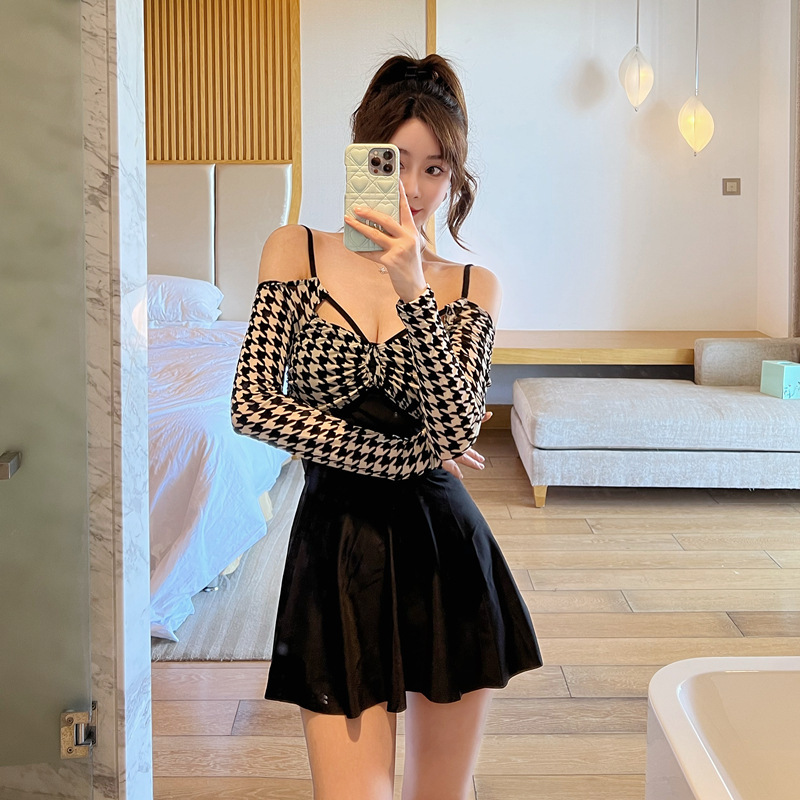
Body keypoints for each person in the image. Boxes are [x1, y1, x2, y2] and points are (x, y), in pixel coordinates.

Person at [232, 53, 542, 800]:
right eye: (396, 163)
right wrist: (406, 453)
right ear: (361, 157)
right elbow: (252, 404)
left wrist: (413, 290)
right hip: (334, 546)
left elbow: (458, 425)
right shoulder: (296, 251)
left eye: (435, 169)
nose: (415, 189)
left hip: (446, 552)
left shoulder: (471, 285)